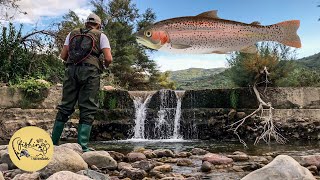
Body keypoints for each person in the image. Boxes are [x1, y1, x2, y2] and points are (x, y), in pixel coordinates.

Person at [51, 13, 112, 152]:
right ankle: (83, 147)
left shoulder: (71, 34)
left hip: (71, 71)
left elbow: (63, 55)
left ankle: (53, 143)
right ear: (98, 24)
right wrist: (104, 66)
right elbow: (108, 58)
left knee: (65, 106)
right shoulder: (101, 35)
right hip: (90, 73)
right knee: (88, 107)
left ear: (86, 23)